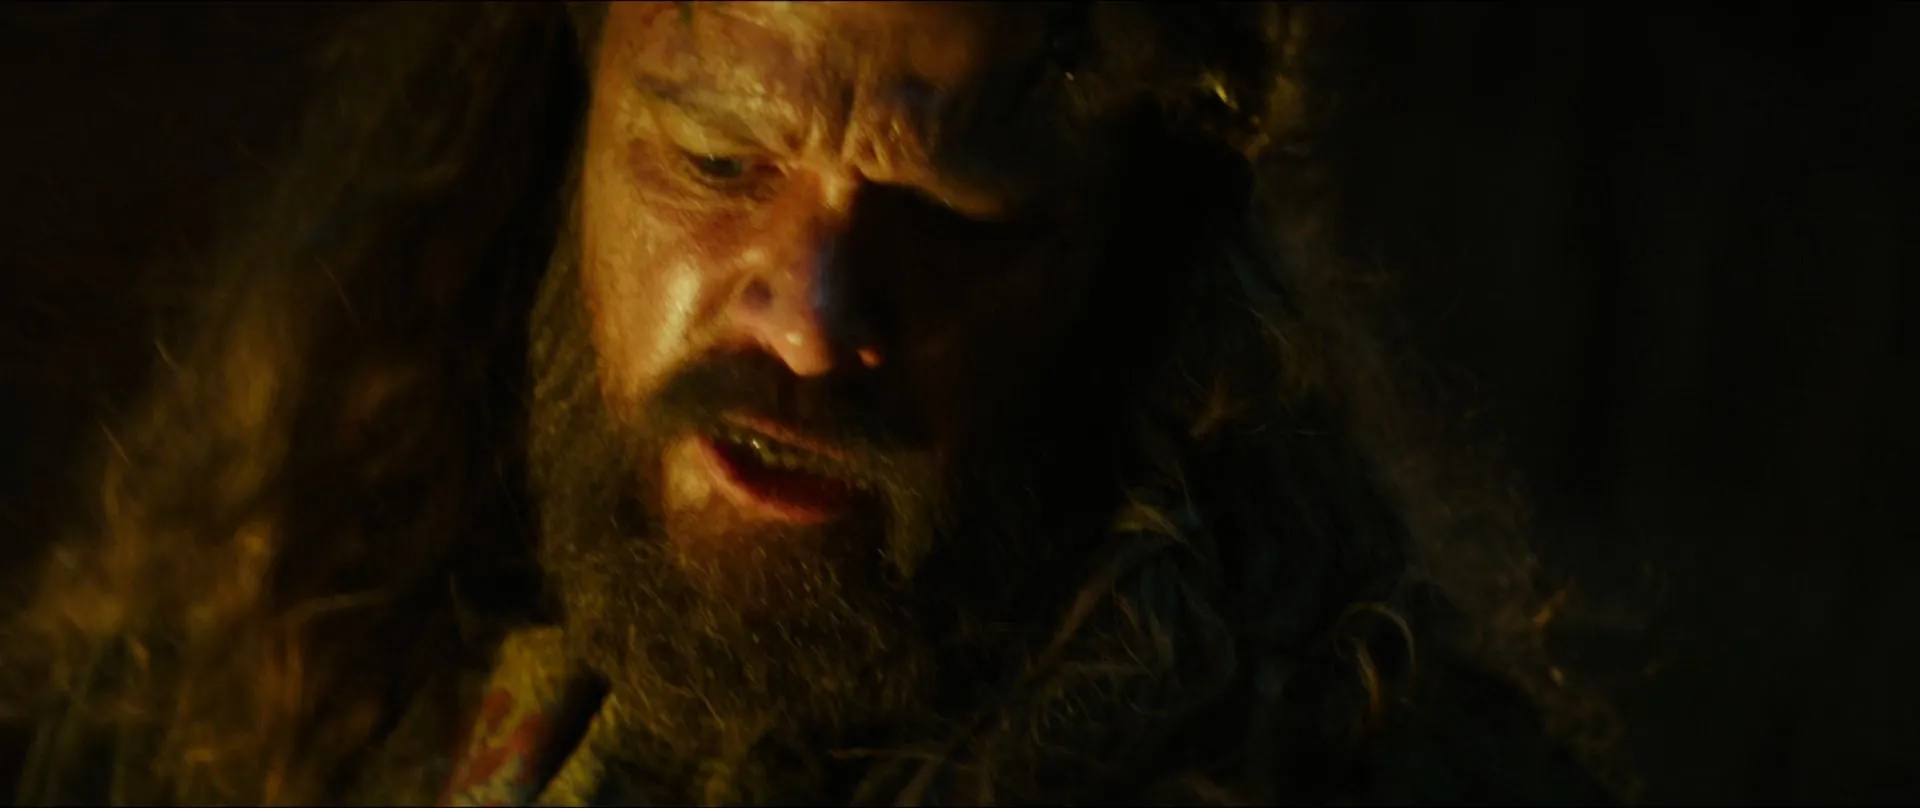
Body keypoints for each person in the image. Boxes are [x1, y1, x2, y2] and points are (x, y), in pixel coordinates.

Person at [1, 3, 1621, 804]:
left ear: (1143, 254)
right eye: (716, 161)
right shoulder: (297, 650)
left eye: (951, 214)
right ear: (561, 122)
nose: (810, 321)